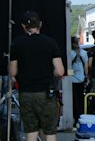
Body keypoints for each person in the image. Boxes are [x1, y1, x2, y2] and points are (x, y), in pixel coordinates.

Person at [9, 11, 64, 141]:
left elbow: (13, 72)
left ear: (23, 26)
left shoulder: (17, 44)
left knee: (31, 132)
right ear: (40, 24)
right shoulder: (50, 43)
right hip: (46, 93)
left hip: (26, 94)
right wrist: (49, 73)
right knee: (50, 132)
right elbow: (60, 71)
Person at [70, 36, 88, 126]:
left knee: (73, 101)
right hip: (81, 80)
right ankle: (80, 117)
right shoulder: (84, 53)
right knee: (81, 100)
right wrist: (87, 77)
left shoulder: (69, 53)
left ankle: (75, 118)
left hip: (71, 80)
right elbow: (86, 67)